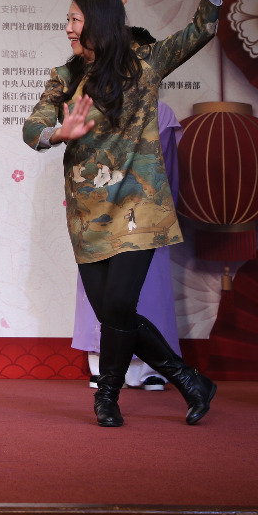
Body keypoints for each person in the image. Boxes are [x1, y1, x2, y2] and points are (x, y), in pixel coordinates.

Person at [23, 0, 221, 428]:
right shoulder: (65, 78)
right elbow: (32, 127)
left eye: (74, 19)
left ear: (99, 21)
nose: (68, 29)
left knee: (119, 303)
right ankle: (190, 381)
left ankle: (107, 398)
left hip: (139, 205)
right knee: (114, 314)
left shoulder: (145, 63)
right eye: (67, 20)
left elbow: (202, 28)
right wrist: (58, 133)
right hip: (88, 213)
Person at [73, 99, 182, 392]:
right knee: (104, 295)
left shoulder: (159, 111)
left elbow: (168, 172)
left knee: (147, 289)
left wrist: (163, 214)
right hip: (99, 213)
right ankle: (103, 365)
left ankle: (151, 369)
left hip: (144, 214)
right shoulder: (87, 106)